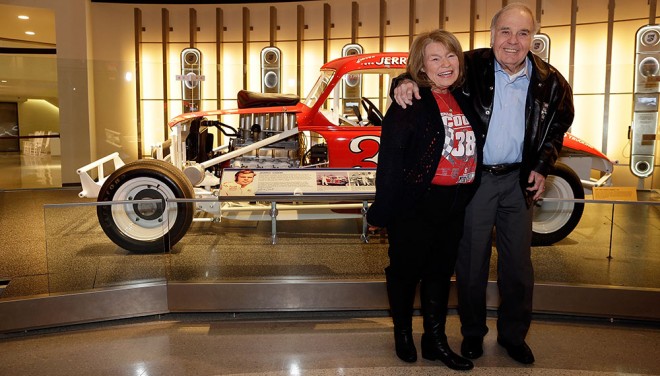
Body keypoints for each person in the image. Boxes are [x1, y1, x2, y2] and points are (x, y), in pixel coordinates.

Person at [392, 3, 574, 365]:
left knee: (518, 267)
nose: (513, 41)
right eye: (505, 31)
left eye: (523, 33)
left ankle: (513, 336)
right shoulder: (470, 66)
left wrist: (542, 165)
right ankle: (473, 334)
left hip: (519, 181)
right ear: (492, 35)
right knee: (471, 264)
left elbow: (557, 127)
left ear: (533, 38)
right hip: (476, 181)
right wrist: (403, 81)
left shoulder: (550, 81)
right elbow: (428, 73)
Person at [367, 29, 485, 371]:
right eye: (435, 58)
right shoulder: (409, 103)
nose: (445, 64)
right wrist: (381, 211)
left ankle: (435, 340)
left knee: (439, 274)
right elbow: (390, 162)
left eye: (450, 56)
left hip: (453, 205)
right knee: (405, 273)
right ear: (421, 65)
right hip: (414, 205)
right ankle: (402, 333)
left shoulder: (464, 97)